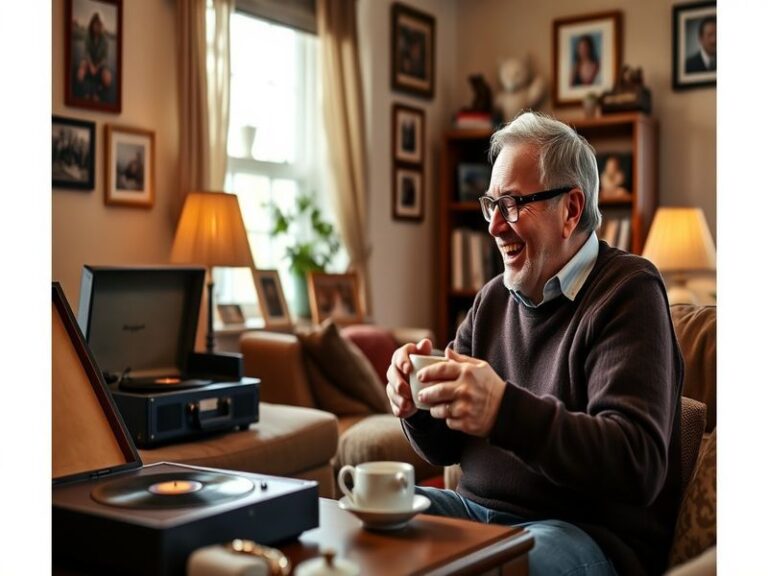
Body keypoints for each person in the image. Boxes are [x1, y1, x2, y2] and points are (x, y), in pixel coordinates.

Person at [386, 112, 683, 576]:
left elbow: (636, 462)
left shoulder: (629, 291)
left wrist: (503, 410)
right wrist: (417, 405)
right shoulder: (492, 299)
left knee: (492, 568)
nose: (494, 227)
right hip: (476, 513)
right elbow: (446, 448)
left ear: (571, 209)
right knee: (365, 521)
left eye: (513, 204)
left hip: (583, 532)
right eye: (491, 205)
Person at [76, 11, 113, 101]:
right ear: (92, 25)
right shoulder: (87, 36)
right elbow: (87, 53)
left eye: (99, 24)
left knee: (108, 80)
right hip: (89, 62)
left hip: (100, 64)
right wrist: (91, 66)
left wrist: (97, 67)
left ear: (102, 26)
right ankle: (88, 91)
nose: (97, 27)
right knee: (80, 75)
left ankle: (97, 90)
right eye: (95, 24)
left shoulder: (105, 40)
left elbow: (104, 58)